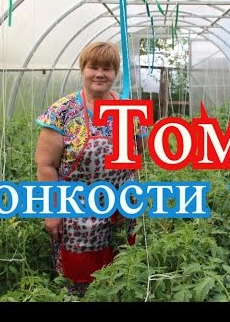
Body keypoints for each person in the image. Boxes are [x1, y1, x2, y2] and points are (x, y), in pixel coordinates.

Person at [35, 41, 148, 297]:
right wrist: (52, 211)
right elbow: (46, 165)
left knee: (125, 277)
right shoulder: (63, 111)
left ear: (115, 73)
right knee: (83, 285)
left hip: (122, 209)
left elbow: (141, 150)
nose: (100, 73)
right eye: (93, 67)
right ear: (82, 69)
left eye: (107, 68)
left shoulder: (128, 110)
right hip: (78, 214)